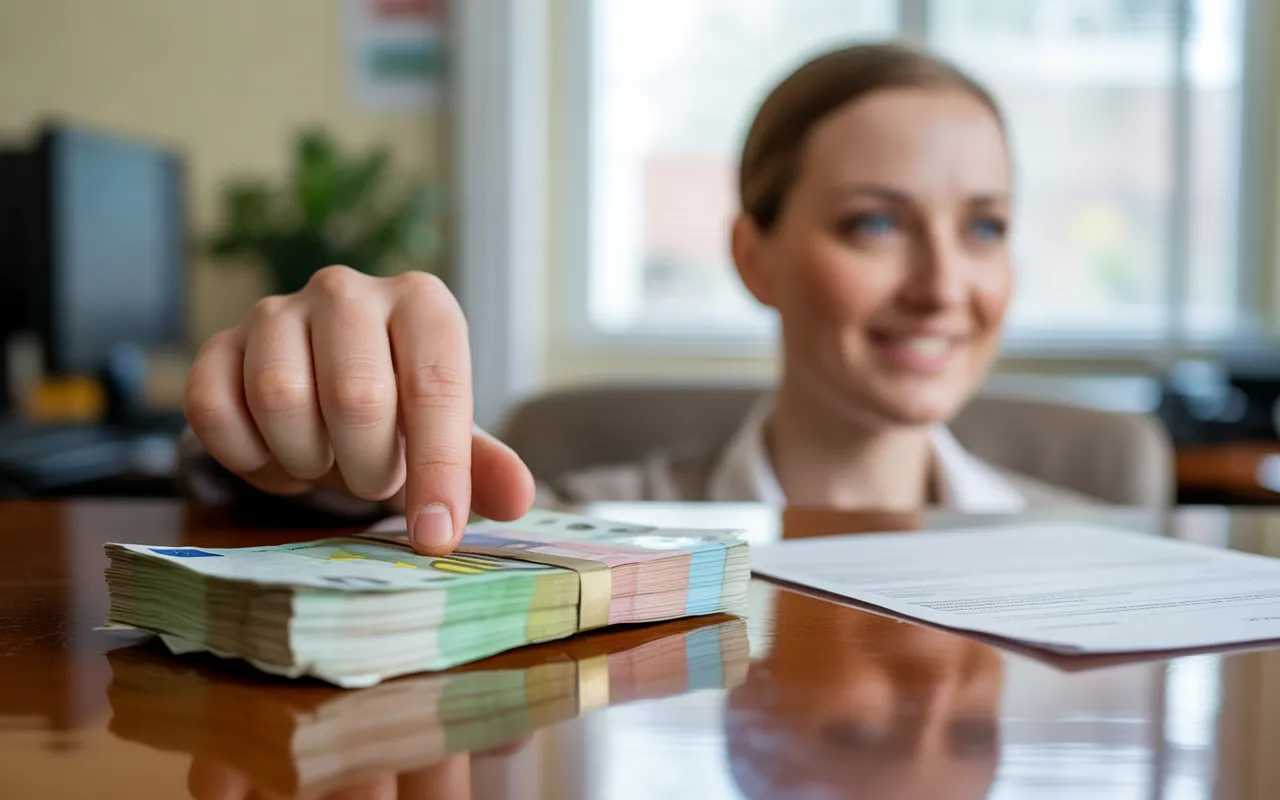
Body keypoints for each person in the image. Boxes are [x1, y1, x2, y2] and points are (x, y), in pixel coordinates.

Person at [180, 41, 1093, 557]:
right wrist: (292, 438)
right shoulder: (575, 529)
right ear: (754, 257)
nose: (943, 288)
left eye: (985, 228)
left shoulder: (1093, 548)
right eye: (875, 225)